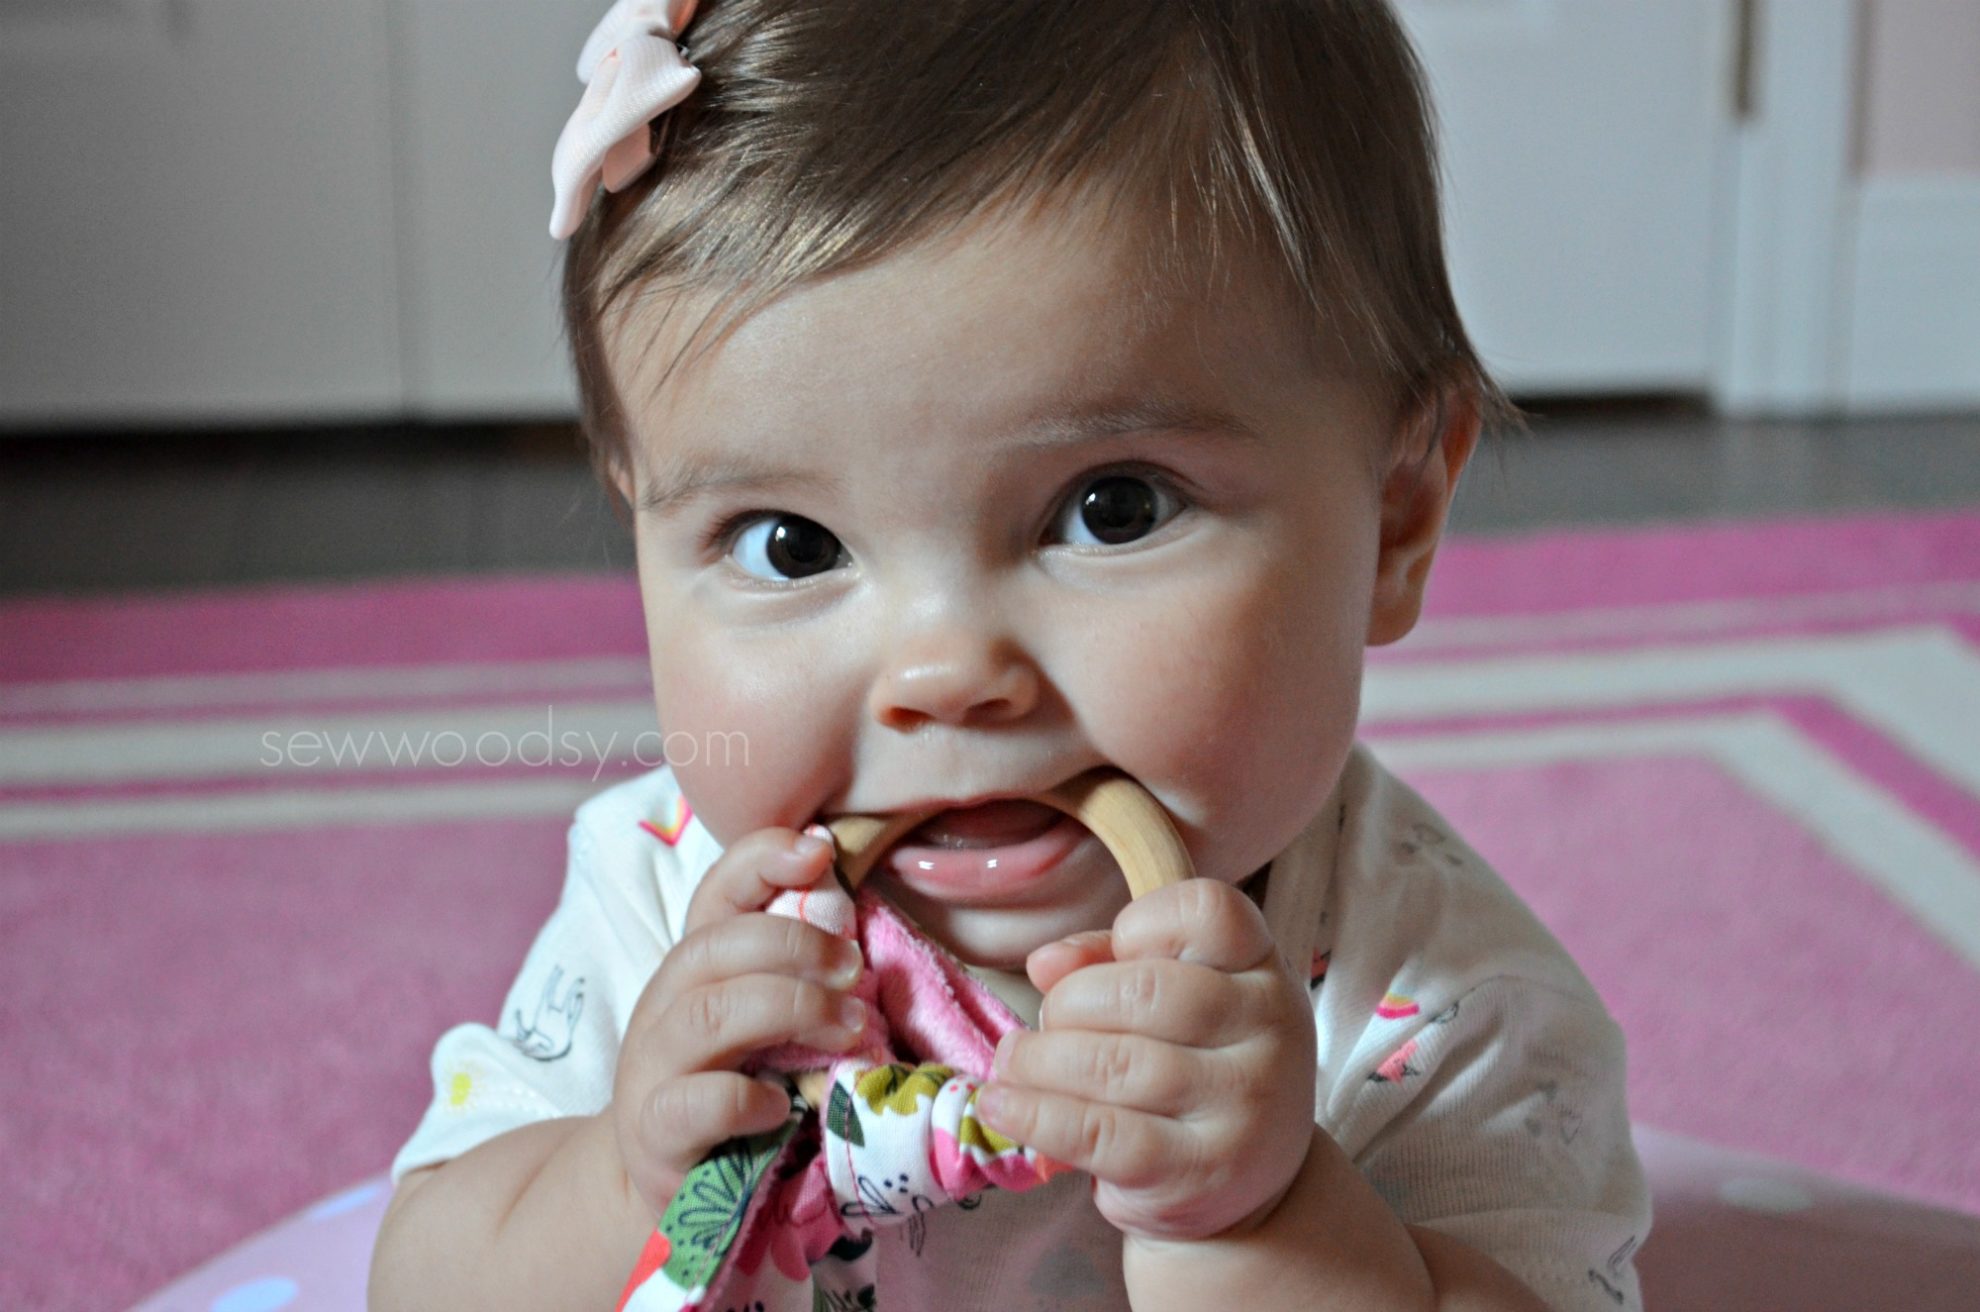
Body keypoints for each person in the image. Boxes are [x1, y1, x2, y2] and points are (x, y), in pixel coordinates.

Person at [368, 2, 1651, 1308]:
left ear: (1393, 518)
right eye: (793, 545)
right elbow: (420, 1283)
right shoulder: (661, 913)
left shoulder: (1435, 1009)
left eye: (1115, 509)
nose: (943, 670)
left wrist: (1266, 1223)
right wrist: (621, 1183)